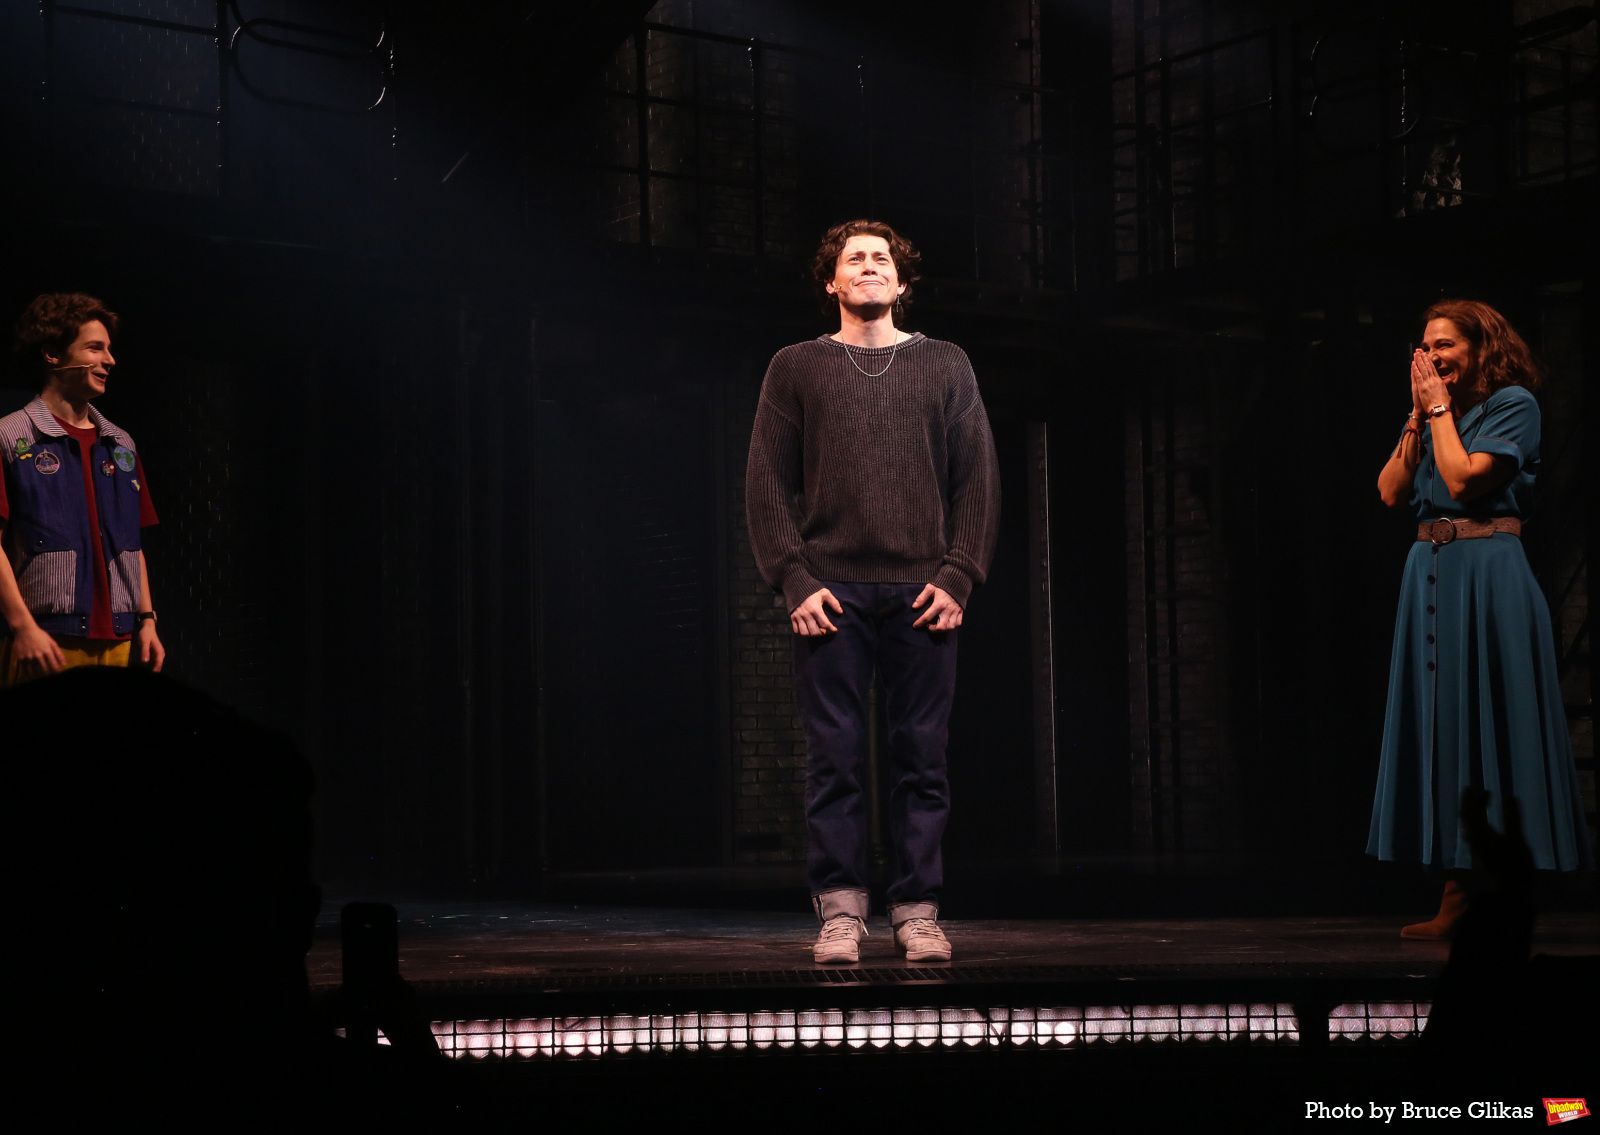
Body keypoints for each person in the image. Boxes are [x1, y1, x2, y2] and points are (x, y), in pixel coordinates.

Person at [745, 220, 1000, 964]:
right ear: (831, 280)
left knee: (921, 757)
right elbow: (765, 480)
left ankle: (917, 911)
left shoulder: (945, 362)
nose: (868, 266)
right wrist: (795, 578)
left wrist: (958, 574)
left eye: (880, 258)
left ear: (901, 280)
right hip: (831, 595)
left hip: (924, 590)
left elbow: (978, 477)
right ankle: (841, 913)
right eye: (853, 258)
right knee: (835, 759)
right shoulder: (796, 366)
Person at [1369, 299, 1589, 938]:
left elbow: (1465, 481)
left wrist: (1438, 411)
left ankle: (1498, 894)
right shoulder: (1439, 416)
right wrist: (1418, 417)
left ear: (1480, 348)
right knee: (1444, 728)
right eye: (1427, 346)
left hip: (1488, 574)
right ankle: (1457, 892)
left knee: (1493, 723)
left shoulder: (1514, 405)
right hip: (1431, 574)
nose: (1433, 356)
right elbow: (1390, 490)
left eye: (1446, 345)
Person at [0, 292, 164, 684]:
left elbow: (132, 544)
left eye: (108, 349)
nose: (110, 360)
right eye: (94, 348)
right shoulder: (11, 437)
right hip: (46, 641)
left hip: (120, 640)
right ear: (53, 354)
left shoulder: (120, 444)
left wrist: (147, 619)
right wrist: (23, 628)